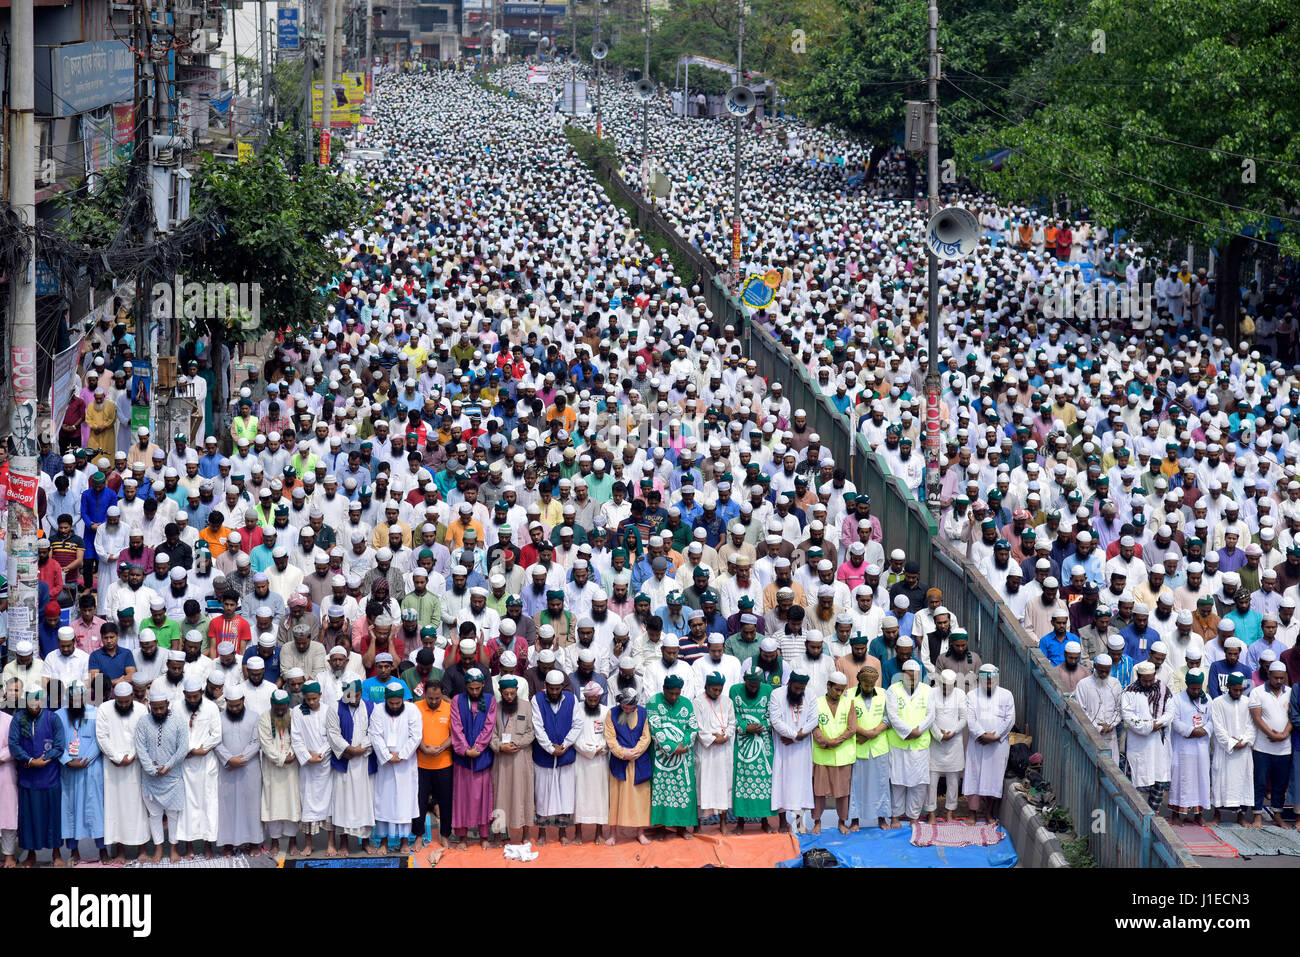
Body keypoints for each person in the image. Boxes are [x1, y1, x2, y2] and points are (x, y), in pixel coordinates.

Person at [10, 689, 66, 866]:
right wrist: (30, 760)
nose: (34, 707)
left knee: (52, 817)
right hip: (28, 778)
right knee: (29, 818)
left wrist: (44, 759)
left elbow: (60, 745)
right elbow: (13, 744)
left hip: (49, 777)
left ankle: (56, 855)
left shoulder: (53, 718)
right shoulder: (18, 718)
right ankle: (31, 855)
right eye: (30, 703)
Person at [96, 680, 150, 862]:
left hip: (136, 766)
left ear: (132, 697)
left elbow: (143, 735)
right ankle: (120, 852)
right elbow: (102, 736)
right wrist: (117, 757)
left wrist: (132, 755)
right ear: (114, 698)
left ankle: (142, 849)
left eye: (127, 701)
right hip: (113, 768)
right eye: (120, 702)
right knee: (115, 808)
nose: (124, 705)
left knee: (138, 808)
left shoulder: (142, 710)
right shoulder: (104, 709)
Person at [135, 683, 189, 863]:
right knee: (155, 815)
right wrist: (151, 768)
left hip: (173, 777)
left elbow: (183, 748)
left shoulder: (179, 721)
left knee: (173, 814)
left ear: (167, 704)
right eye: (155, 708)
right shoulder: (143, 722)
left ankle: (173, 848)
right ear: (149, 706)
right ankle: (158, 848)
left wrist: (168, 765)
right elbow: (140, 747)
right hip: (150, 778)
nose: (158, 711)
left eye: (161, 707)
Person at [54, 682, 106, 863]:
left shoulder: (95, 713)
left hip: (91, 770)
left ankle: (103, 849)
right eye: (72, 699)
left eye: (78, 698)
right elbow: (56, 742)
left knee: (96, 810)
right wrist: (68, 760)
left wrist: (86, 760)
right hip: (68, 772)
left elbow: (100, 739)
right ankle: (73, 851)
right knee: (69, 811)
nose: (75, 702)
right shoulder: (58, 716)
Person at [369, 680, 421, 853]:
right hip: (385, 765)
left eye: (398, 703)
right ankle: (383, 842)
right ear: (386, 700)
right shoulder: (378, 710)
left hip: (406, 764)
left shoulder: (412, 710)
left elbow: (416, 736)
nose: (394, 706)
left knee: (405, 802)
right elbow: (374, 735)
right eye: (391, 703)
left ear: (402, 701)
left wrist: (403, 755)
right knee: (383, 802)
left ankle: (404, 841)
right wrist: (386, 755)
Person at [647, 674, 699, 839]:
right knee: (661, 790)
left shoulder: (686, 703)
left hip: (683, 756)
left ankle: (681, 827)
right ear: (664, 690)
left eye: (677, 693)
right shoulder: (653, 702)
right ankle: (660, 828)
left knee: (683, 790)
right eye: (671, 693)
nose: (674, 697)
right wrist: (671, 747)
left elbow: (692, 727)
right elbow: (655, 728)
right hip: (662, 757)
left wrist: (682, 745)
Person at [214, 685, 265, 856]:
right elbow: (216, 741)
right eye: (231, 705)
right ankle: (228, 844)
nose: (235, 709)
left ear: (243, 701)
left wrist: (241, 759)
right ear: (226, 702)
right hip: (226, 768)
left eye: (238, 705)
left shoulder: (254, 717)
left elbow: (256, 741)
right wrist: (229, 759)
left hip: (249, 769)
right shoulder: (218, 718)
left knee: (251, 806)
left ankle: (254, 843)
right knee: (227, 807)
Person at [326, 679, 375, 856]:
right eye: (350, 695)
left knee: (365, 803)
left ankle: (366, 842)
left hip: (364, 761)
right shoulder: (334, 708)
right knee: (343, 804)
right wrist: (348, 749)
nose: (354, 698)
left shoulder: (370, 707)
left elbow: (374, 731)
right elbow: (332, 733)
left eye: (357, 694)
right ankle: (344, 842)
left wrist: (361, 749)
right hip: (345, 761)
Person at [175, 675, 221, 859]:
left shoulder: (211, 707)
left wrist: (202, 749)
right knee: (186, 806)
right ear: (184, 693)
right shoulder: (176, 707)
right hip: (185, 764)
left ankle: (208, 845)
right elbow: (174, 732)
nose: (192, 700)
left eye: (196, 697)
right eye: (189, 697)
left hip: (206, 762)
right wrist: (184, 750)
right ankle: (189, 847)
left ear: (201, 693)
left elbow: (217, 734)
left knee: (208, 804)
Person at [449, 668, 496, 847]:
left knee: (483, 798)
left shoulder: (490, 700)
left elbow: (489, 725)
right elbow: (456, 726)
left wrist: (479, 747)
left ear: (483, 685)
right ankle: (462, 837)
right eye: (471, 688)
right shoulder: (456, 700)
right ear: (465, 685)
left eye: (478, 688)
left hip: (482, 757)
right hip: (463, 758)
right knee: (462, 798)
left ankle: (484, 836)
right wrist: (465, 749)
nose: (475, 692)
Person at [964, 664, 1015, 825]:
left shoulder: (1006, 695)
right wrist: (981, 734)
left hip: (997, 745)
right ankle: (972, 813)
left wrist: (995, 736)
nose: (989, 684)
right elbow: (970, 718)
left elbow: (1009, 719)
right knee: (974, 777)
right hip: (977, 743)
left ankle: (988, 813)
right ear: (979, 679)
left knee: (994, 779)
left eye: (992, 681)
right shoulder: (972, 695)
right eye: (986, 681)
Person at [885, 660, 933, 828]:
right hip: (899, 743)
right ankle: (896, 817)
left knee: (919, 783)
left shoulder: (928, 690)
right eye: (908, 677)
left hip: (920, 744)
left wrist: (918, 731)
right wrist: (907, 732)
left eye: (915, 677)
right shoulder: (893, 690)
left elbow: (930, 715)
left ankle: (914, 817)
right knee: (897, 782)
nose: (911, 680)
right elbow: (892, 715)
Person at [1122, 661, 1174, 811]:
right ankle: (1136, 813)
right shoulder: (1129, 692)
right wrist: (1147, 727)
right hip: (1139, 743)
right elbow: (1127, 716)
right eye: (1145, 680)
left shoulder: (1164, 689)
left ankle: (1154, 812)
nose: (1148, 683)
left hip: (1159, 743)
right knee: (1137, 778)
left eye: (1151, 680)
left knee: (1159, 777)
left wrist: (1157, 723)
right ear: (1139, 677)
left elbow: (1170, 712)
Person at [769, 672, 818, 833]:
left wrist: (797, 737)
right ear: (789, 683)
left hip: (802, 748)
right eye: (796, 688)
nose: (799, 691)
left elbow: (814, 719)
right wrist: (794, 734)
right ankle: (782, 821)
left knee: (801, 786)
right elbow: (775, 720)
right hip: (783, 747)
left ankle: (800, 823)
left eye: (802, 689)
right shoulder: (777, 694)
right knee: (782, 784)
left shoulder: (810, 694)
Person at [490, 676, 535, 845]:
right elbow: (490, 734)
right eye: (506, 694)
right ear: (500, 692)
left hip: (521, 758)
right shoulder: (495, 708)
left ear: (517, 691)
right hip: (502, 760)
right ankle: (497, 834)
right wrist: (500, 746)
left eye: (512, 693)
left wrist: (517, 743)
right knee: (499, 795)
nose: (509, 697)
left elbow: (532, 732)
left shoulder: (526, 706)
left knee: (525, 794)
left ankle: (526, 834)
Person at [1248, 661, 1293, 828]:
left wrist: (1284, 734)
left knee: (1280, 785)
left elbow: (1293, 715)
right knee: (1259, 782)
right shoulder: (1257, 692)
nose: (1279, 681)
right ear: (1269, 675)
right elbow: (1257, 718)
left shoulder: (1290, 692)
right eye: (1276, 678)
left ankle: (1277, 815)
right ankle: (1257, 815)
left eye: (1282, 678)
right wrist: (1271, 734)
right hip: (1262, 747)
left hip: (1284, 748)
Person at [811, 671, 856, 835]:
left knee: (843, 792)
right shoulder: (816, 703)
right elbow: (814, 726)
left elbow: (852, 728)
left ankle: (842, 822)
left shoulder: (849, 702)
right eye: (836, 689)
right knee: (819, 792)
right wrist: (825, 741)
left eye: (842, 690)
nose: (839, 693)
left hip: (843, 754)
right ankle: (817, 821)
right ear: (828, 686)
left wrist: (837, 741)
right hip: (823, 754)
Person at [605, 689, 652, 844]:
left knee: (641, 799)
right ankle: (612, 834)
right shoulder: (611, 714)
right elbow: (610, 739)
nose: (627, 710)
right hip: (620, 762)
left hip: (639, 761)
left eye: (630, 708)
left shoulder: (644, 713)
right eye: (625, 707)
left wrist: (636, 751)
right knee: (615, 798)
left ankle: (640, 832)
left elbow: (646, 736)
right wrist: (622, 753)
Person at [291, 681, 333, 855]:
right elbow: (296, 737)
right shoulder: (297, 712)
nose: (311, 702)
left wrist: (321, 754)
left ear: (320, 696)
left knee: (330, 803)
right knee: (307, 802)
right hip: (307, 766)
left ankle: (331, 843)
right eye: (308, 699)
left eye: (314, 699)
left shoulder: (328, 710)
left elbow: (332, 735)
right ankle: (309, 843)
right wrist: (308, 757)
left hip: (326, 763)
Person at [257, 689, 301, 856]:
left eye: (283, 706)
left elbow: (298, 737)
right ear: (272, 704)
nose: (280, 709)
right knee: (273, 804)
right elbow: (266, 744)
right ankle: (274, 841)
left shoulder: (294, 716)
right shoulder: (264, 718)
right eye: (277, 706)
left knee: (292, 803)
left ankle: (292, 841)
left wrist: (292, 754)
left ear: (288, 704)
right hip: (272, 768)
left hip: (291, 769)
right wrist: (283, 758)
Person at [847, 665, 891, 830]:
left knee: (881, 784)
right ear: (859, 681)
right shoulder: (849, 694)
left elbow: (888, 717)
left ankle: (882, 819)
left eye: (872, 686)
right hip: (858, 746)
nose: (869, 688)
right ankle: (855, 820)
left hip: (879, 746)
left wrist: (874, 733)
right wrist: (865, 733)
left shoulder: (883, 694)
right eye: (866, 686)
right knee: (856, 785)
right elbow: (848, 719)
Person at [1209, 673, 1255, 825]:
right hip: (1224, 751)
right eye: (1235, 690)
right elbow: (1218, 727)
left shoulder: (1248, 702)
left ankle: (1241, 817)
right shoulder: (1217, 702)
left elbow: (1252, 726)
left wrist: (1244, 741)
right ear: (1227, 687)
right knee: (1220, 782)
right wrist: (1231, 742)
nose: (1238, 693)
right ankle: (1217, 816)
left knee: (1242, 783)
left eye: (1240, 690)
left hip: (1243, 752)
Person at [693, 671, 736, 834]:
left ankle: (723, 823)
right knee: (701, 785)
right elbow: (697, 726)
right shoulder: (697, 702)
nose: (717, 693)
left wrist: (726, 736)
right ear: (706, 686)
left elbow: (732, 722)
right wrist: (713, 739)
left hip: (724, 750)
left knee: (724, 785)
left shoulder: (727, 702)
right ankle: (697, 824)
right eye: (713, 690)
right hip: (706, 752)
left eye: (719, 690)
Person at [1168, 669, 1212, 826]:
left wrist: (1205, 730)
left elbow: (1212, 720)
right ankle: (1175, 815)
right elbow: (1175, 721)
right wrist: (1191, 731)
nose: (1196, 691)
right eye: (1193, 688)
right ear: (1187, 684)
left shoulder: (1208, 700)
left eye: (1198, 688)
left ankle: (1198, 815)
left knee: (1201, 780)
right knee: (1181, 780)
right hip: (1183, 749)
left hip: (1201, 748)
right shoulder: (1177, 700)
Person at [572, 681, 611, 844]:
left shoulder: (606, 711)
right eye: (590, 699)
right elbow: (574, 735)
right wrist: (588, 750)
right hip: (581, 761)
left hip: (601, 761)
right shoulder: (577, 710)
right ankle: (578, 833)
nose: (593, 702)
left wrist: (602, 748)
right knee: (580, 796)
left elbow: (609, 735)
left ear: (600, 697)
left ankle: (599, 833)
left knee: (600, 797)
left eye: (596, 699)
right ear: (585, 697)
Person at [928, 669, 967, 823]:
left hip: (954, 742)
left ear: (954, 684)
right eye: (943, 686)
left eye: (949, 687)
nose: (946, 690)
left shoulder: (960, 694)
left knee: (953, 781)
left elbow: (964, 718)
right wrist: (939, 735)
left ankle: (949, 813)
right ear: (940, 683)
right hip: (935, 743)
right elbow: (929, 718)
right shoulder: (931, 693)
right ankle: (931, 813)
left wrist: (952, 732)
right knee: (931, 781)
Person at [0, 705, 18, 866]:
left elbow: (14, 745)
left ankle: (9, 856)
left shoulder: (9, 720)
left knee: (8, 818)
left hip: (5, 774)